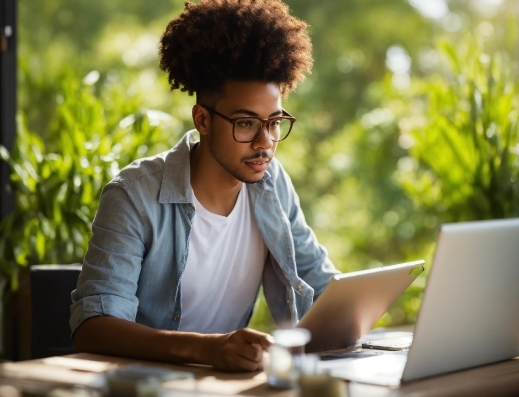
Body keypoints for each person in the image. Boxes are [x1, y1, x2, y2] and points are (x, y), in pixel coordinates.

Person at [70, 0, 339, 372]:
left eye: (275, 122)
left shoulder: (273, 184)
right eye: (246, 123)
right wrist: (208, 350)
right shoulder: (134, 195)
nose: (265, 142)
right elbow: (93, 328)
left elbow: (324, 287)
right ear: (203, 119)